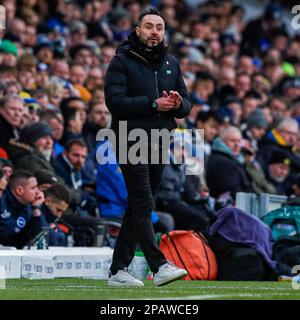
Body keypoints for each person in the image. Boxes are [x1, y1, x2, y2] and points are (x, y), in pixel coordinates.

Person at [104, 8, 192, 287]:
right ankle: (159, 264)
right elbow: (114, 102)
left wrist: (178, 104)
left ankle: (118, 269)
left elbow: (186, 106)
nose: (154, 31)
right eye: (149, 26)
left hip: (159, 140)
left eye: (159, 27)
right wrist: (153, 104)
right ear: (138, 30)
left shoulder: (171, 64)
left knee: (139, 205)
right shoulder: (121, 61)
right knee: (143, 204)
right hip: (130, 138)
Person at [0, 170, 45, 249]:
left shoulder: (29, 207)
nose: (38, 192)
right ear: (19, 190)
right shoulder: (2, 200)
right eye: (33, 188)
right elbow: (6, 234)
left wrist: (36, 212)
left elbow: (41, 239)